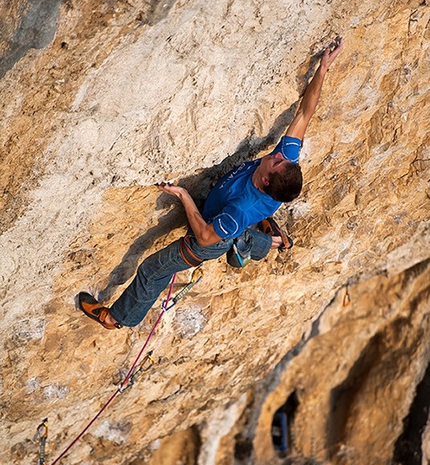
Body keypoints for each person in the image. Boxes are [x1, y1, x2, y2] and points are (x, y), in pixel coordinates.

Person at [78, 37, 343, 329]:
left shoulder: (240, 208)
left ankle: (114, 318)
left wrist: (182, 194)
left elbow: (205, 236)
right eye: (283, 158)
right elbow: (305, 113)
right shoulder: (283, 164)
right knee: (231, 233)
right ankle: (270, 237)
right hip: (242, 216)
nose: (279, 154)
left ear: (266, 178)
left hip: (207, 242)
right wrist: (322, 70)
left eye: (278, 161)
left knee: (153, 269)